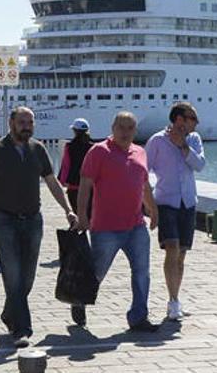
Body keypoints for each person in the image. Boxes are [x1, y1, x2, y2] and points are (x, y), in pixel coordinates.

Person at [0, 106, 77, 348]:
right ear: (11, 123)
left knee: (28, 278)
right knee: (13, 277)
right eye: (22, 122)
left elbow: (52, 182)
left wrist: (68, 210)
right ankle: (22, 329)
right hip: (5, 221)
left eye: (30, 122)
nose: (27, 126)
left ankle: (9, 314)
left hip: (33, 221)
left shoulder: (38, 149)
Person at [73, 111, 160, 332]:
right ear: (112, 127)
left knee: (142, 272)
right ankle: (80, 300)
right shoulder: (99, 151)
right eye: (121, 127)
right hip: (105, 228)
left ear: (135, 131)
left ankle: (138, 317)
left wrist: (153, 209)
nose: (125, 132)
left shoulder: (140, 152)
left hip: (136, 226)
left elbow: (144, 185)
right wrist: (82, 216)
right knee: (97, 272)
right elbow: (85, 184)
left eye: (130, 128)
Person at [145, 102, 206, 321]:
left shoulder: (194, 140)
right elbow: (143, 170)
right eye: (192, 118)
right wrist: (148, 202)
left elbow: (200, 165)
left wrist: (183, 147)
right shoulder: (157, 141)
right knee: (172, 248)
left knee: (181, 255)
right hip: (166, 202)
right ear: (179, 119)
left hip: (188, 202)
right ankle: (172, 301)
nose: (196, 123)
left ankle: (176, 298)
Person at [57, 118, 95, 219]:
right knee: (91, 215)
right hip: (90, 187)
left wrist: (62, 181)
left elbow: (66, 165)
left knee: (78, 215)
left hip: (74, 186)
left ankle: (79, 233)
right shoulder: (93, 147)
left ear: (74, 131)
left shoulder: (69, 146)